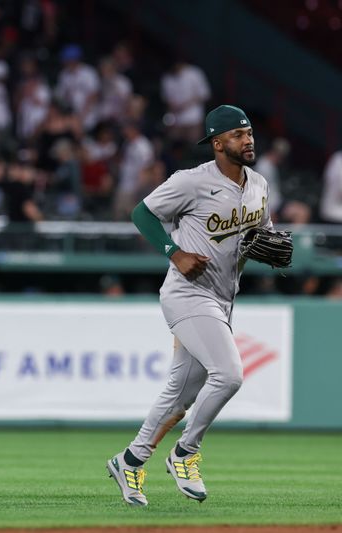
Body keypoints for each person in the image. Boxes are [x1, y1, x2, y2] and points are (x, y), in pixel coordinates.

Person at [107, 105, 271, 506]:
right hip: (187, 292)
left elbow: (261, 235)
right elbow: (142, 212)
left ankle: (129, 460)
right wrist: (173, 251)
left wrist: (268, 245)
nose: (247, 140)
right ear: (217, 144)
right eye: (237, 134)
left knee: (181, 396)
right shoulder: (192, 182)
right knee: (230, 375)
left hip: (223, 298)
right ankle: (185, 452)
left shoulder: (259, 184)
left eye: (248, 132)